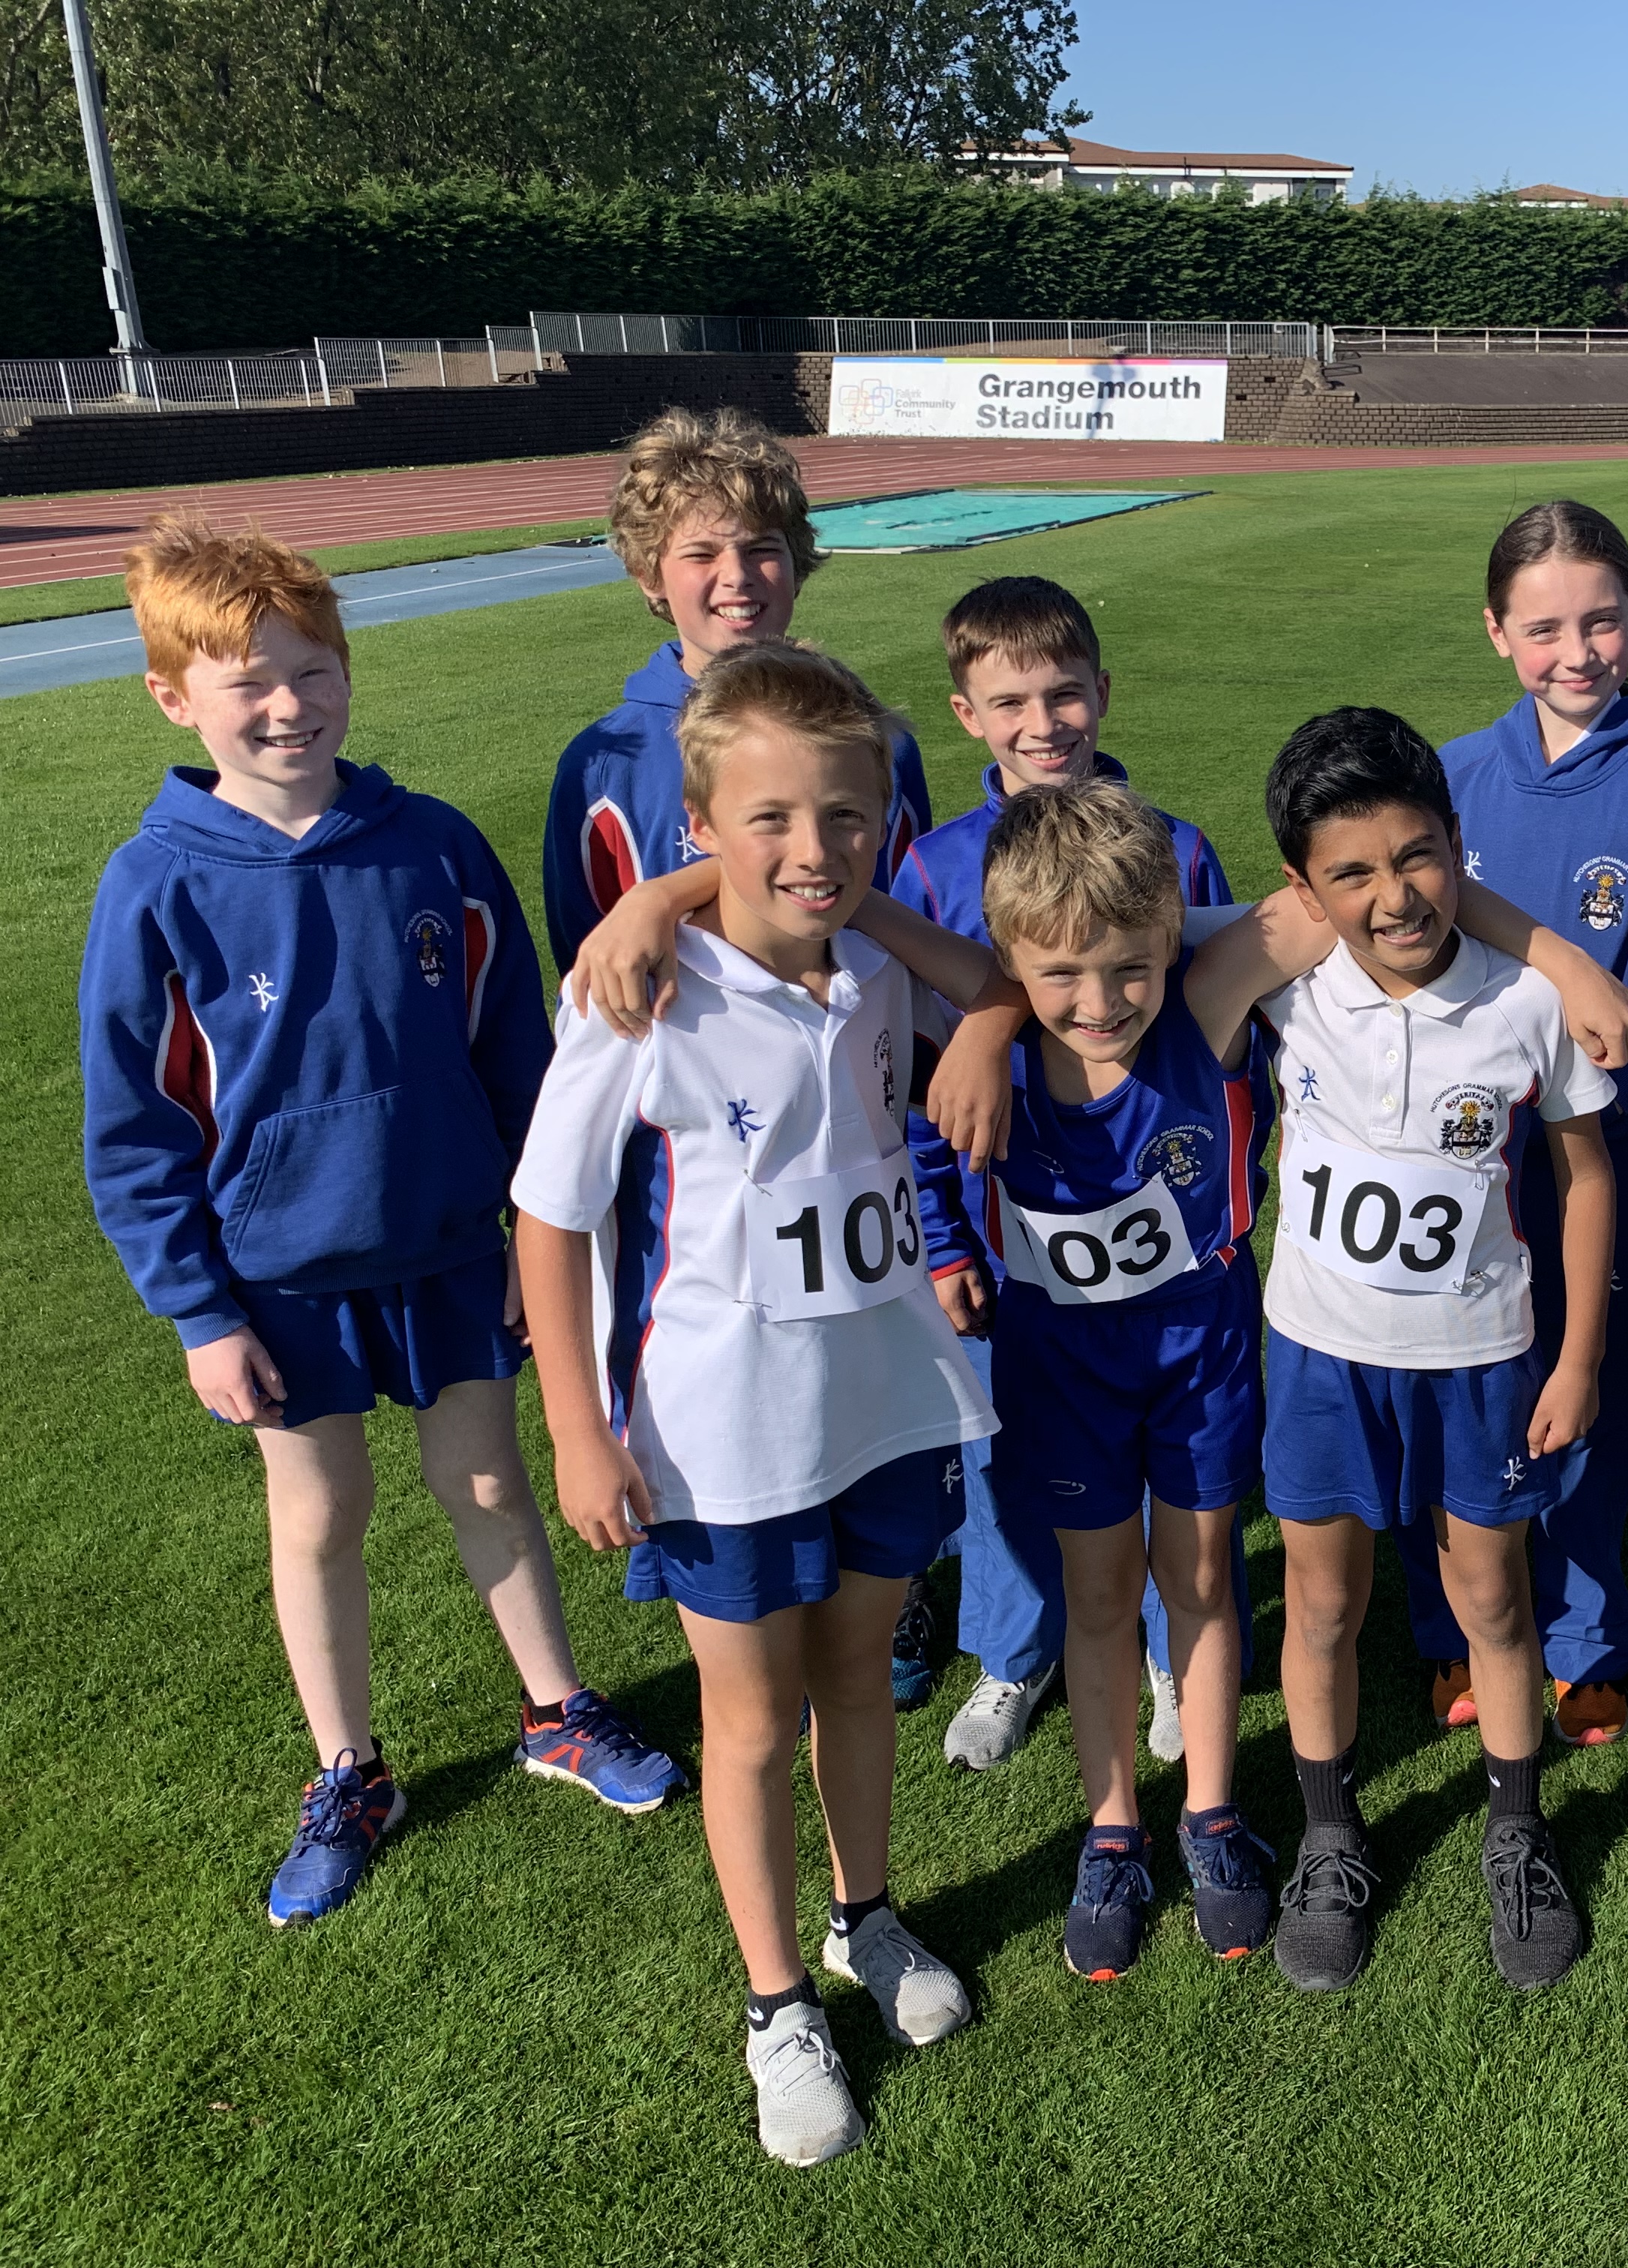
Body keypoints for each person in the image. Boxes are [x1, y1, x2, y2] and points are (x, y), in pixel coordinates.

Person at [79, 515, 682, 1929]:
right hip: (278, 1274)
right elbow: (135, 1127)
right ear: (173, 698)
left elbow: (519, 1060)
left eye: (315, 672)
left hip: (454, 1243)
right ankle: (347, 1770)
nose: (290, 707)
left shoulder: (434, 845)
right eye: (250, 684)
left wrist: (543, 1238)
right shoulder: (155, 882)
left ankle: (555, 1710)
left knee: (491, 1484)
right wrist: (200, 1313)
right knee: (321, 1510)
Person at [513, 640, 1015, 2168]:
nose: (815, 848)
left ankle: (866, 1916)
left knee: (859, 1673)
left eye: (849, 816)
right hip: (718, 1428)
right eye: (772, 819)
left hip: (880, 1396)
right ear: (703, 828)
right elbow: (548, 1216)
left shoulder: (881, 965)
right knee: (749, 1717)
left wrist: (962, 1004)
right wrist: (577, 1429)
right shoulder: (639, 994)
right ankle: (776, 2001)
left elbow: (998, 987)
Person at [1243, 708, 1621, 1990]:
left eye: (1418, 856)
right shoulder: (1285, 982)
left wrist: (1577, 1358)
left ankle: (1517, 1828)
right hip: (1321, 1359)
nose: (1395, 895)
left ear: (1457, 843)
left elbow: (1584, 1171)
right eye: (1351, 873)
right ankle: (1330, 1837)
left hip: (1482, 1356)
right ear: (1303, 889)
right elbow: (1118, 959)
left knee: (1494, 1599)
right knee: (1322, 1604)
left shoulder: (1526, 998)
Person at [892, 574, 1246, 1767]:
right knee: (1007, 1449)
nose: (1041, 724)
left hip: (1166, 1235)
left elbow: (1215, 1038)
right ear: (966, 715)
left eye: (1063, 694)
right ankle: (1015, 1650)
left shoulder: (1176, 849)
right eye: (1010, 703)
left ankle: (1169, 1653)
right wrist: (944, 1237)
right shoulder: (934, 870)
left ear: (1104, 691)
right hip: (1010, 1242)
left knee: (1171, 1468)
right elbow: (919, 1082)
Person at [1420, 500, 1628, 1747]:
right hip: (1459, 1148)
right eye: (1545, 626)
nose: (1577, 651)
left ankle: (1586, 1632)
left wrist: (1617, 1080)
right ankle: (1457, 1621)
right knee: (1461, 1370)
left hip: (1600, 1140)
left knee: (1586, 1362)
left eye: (1600, 621)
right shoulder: (1452, 774)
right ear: (1496, 630)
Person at [538, 408, 932, 974]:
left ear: (796, 562)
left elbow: (909, 934)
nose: (737, 576)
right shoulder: (604, 766)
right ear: (650, 575)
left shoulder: (876, 741)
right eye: (701, 554)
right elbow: (587, 961)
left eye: (762, 549)